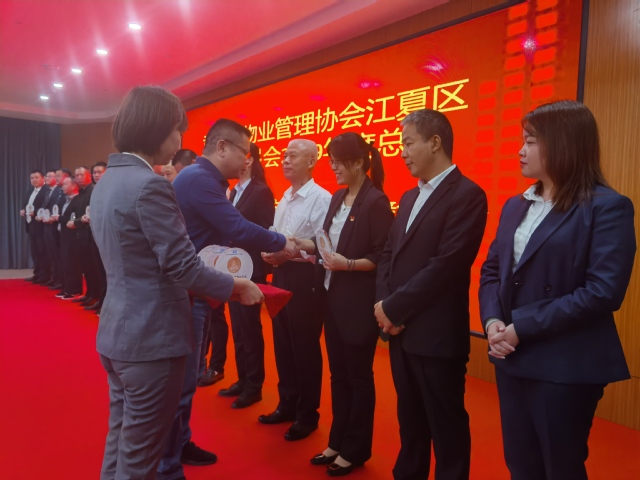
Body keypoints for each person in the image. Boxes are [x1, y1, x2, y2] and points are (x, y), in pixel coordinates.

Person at [89, 85, 263, 479]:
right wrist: (238, 286)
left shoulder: (108, 181)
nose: (180, 140)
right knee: (139, 461)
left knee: (120, 446)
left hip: (118, 332)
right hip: (152, 338)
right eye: (177, 130)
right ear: (159, 129)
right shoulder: (149, 184)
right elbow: (183, 267)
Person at [478, 100, 636, 480]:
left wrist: (522, 326)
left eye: (531, 141)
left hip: (565, 363)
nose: (521, 150)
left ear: (563, 144)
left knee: (560, 467)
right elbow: (492, 270)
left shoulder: (606, 207)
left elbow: (603, 291)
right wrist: (493, 320)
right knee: (521, 465)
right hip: (511, 354)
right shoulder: (516, 205)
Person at [161, 121, 296, 479]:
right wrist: (284, 242)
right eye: (243, 152)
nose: (247, 160)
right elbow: (236, 227)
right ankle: (168, 464)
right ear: (221, 147)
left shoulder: (204, 179)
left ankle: (179, 444)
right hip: (188, 292)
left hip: (198, 288)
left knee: (187, 380)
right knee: (181, 384)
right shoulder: (200, 180)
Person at [375, 109, 487, 480]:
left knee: (446, 426)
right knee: (410, 421)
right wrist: (384, 305)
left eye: (408, 143)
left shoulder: (468, 195)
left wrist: (394, 308)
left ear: (435, 142)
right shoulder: (408, 197)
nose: (402, 152)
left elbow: (447, 266)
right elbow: (389, 254)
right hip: (400, 332)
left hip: (437, 336)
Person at [295, 133, 393, 476]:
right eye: (332, 161)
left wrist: (348, 264)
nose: (333, 167)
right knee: (339, 376)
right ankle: (337, 441)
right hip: (331, 297)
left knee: (358, 377)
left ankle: (355, 449)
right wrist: (297, 243)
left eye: (338, 162)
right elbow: (325, 242)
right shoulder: (338, 197)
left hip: (358, 304)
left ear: (358, 162)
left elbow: (382, 257)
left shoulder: (376, 202)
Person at [259, 139, 331, 441]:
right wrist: (270, 251)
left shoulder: (321, 198)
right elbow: (278, 234)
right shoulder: (286, 196)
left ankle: (307, 414)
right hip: (281, 275)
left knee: (304, 347)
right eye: (284, 155)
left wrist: (286, 254)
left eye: (293, 156)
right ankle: (286, 404)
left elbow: (323, 247)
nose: (285, 160)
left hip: (305, 279)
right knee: (283, 343)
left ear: (312, 161)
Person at [221, 142, 277, 409]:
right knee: (239, 328)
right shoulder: (234, 191)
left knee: (250, 328)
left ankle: (254, 386)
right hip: (232, 268)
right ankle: (242, 379)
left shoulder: (261, 191)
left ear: (249, 159)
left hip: (251, 269)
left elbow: (265, 231)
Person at [55, 176, 83, 299]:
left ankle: (75, 289)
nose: (63, 186)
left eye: (66, 184)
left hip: (73, 237)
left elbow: (73, 218)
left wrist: (58, 218)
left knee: (73, 264)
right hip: (63, 235)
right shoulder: (65, 200)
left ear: (74, 186)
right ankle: (67, 287)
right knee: (65, 263)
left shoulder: (78, 200)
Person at [20, 169, 49, 284]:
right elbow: (26, 205)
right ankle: (37, 273)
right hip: (31, 225)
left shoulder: (46, 191)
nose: (34, 180)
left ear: (43, 178)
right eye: (32, 178)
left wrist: (36, 212)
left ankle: (45, 275)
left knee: (43, 252)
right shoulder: (30, 191)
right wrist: (23, 210)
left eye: (37, 177)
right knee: (35, 251)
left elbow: (47, 207)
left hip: (41, 226)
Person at [42, 168, 67, 290]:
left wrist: (53, 217)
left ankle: (60, 280)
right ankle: (55, 277)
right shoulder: (48, 191)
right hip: (48, 224)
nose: (55, 178)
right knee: (52, 254)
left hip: (57, 226)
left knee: (58, 255)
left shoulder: (61, 191)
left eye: (57, 176)